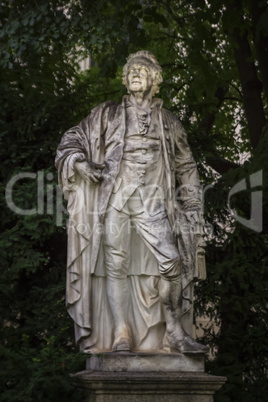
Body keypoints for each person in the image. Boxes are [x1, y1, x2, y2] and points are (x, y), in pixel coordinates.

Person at [55, 50, 208, 354]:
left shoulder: (168, 121)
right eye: (130, 71)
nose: (135, 74)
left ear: (155, 78)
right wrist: (79, 163)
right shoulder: (107, 114)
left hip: (152, 200)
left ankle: (176, 331)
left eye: (141, 70)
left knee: (172, 261)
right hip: (116, 197)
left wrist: (192, 208)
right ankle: (121, 334)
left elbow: (186, 167)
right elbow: (71, 139)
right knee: (116, 266)